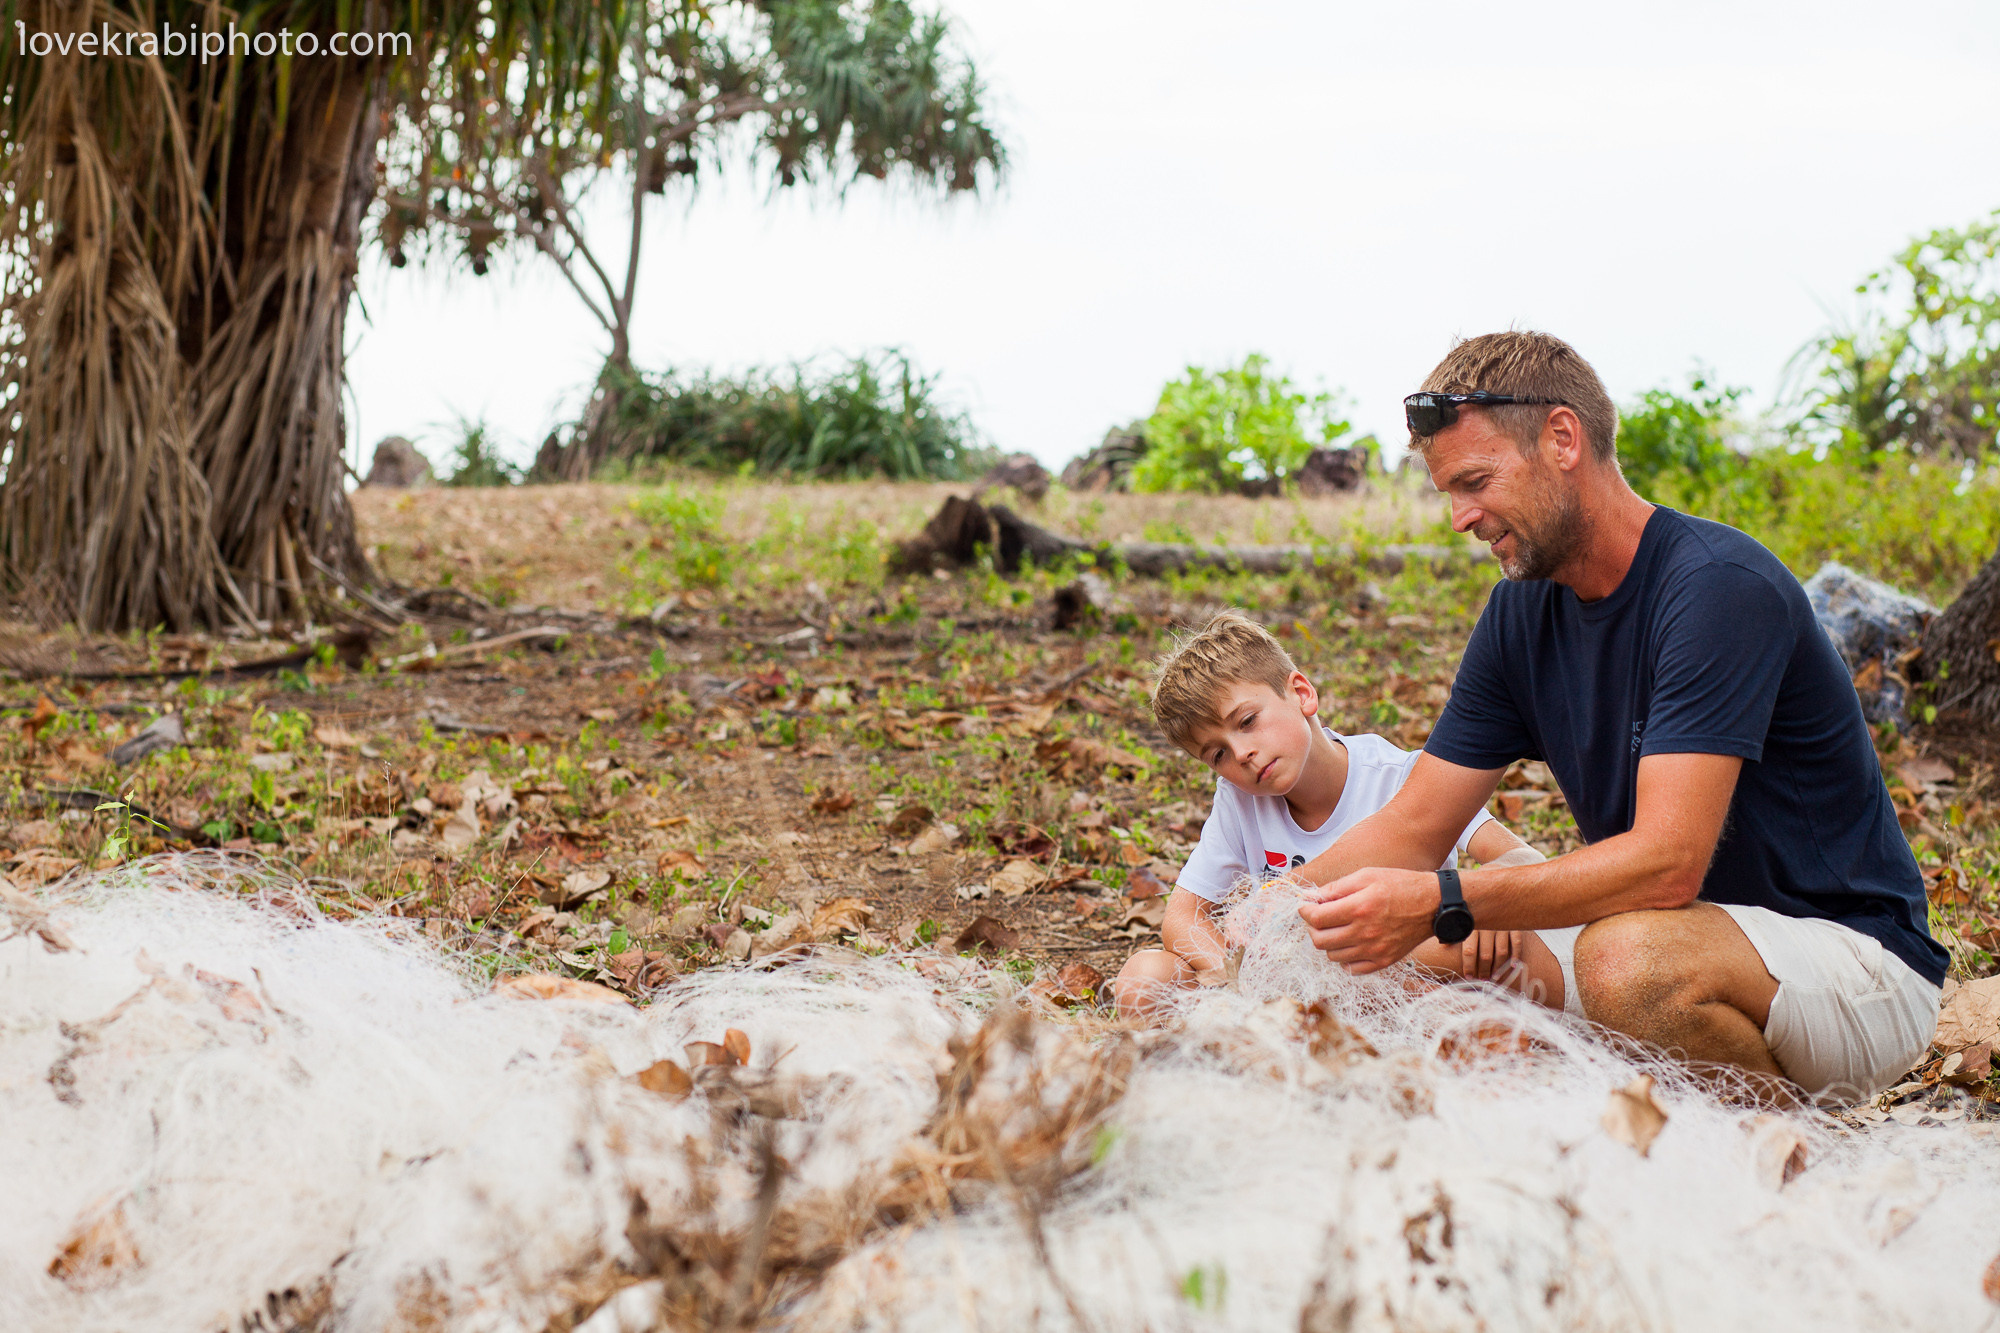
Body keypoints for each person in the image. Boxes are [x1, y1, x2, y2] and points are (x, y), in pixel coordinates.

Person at [1294, 331, 1945, 1102]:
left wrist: (1446, 899)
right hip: (1677, 929)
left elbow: (1668, 863)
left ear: (1562, 438)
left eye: (1475, 480)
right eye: (1449, 493)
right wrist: (1274, 915)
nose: (1461, 518)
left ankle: (1796, 1155)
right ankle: (1638, 1128)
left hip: (1850, 959)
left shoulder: (1717, 587)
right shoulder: (1519, 615)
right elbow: (1414, 825)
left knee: (1625, 965)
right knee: (1383, 951)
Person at [1112, 609, 1562, 1021]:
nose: (1242, 754)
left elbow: (1518, 859)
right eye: (1218, 754)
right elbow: (1183, 916)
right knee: (1145, 977)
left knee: (1469, 946)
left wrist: (1488, 907)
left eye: (1247, 721)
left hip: (1402, 976)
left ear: (1302, 693)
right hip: (1285, 998)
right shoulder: (1239, 799)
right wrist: (1239, 981)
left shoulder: (1400, 776)